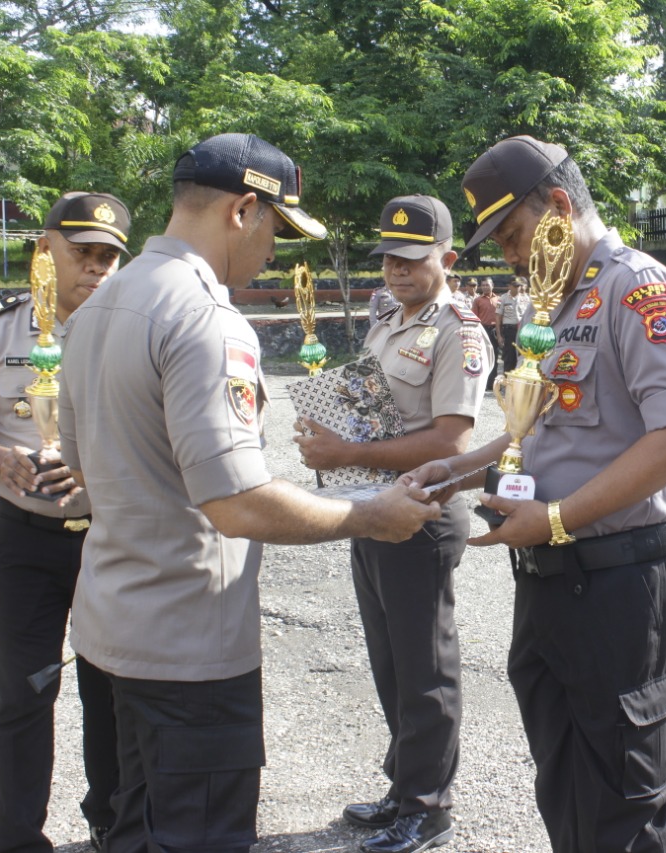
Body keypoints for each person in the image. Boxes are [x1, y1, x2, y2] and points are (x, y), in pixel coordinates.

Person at [56, 133, 439, 853]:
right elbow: (234, 502)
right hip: (188, 651)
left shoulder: (102, 305)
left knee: (134, 831)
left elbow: (81, 465)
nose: (275, 254)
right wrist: (369, 514)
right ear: (242, 210)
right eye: (276, 231)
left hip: (113, 632)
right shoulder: (205, 317)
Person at [406, 134, 666, 852]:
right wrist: (449, 472)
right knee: (567, 793)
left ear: (556, 205)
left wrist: (551, 518)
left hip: (619, 583)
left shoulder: (633, 288)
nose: (510, 256)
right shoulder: (553, 303)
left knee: (620, 806)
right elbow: (534, 436)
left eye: (513, 235)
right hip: (551, 582)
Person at [294, 195, 489, 853]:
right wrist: (328, 430)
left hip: (421, 515)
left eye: (413, 259)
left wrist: (346, 451)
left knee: (424, 666)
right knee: (390, 662)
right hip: (372, 507)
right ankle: (404, 785)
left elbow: (451, 443)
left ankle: (429, 806)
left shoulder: (458, 331)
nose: (397, 271)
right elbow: (374, 410)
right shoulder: (389, 316)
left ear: (447, 258)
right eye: (389, 259)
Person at [0, 191, 129, 853]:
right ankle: (17, 838)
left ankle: (114, 820)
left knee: (112, 686)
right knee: (23, 691)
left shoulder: (136, 329)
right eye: (84, 252)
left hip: (109, 537)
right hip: (25, 538)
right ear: (45, 249)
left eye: (109, 256)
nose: (97, 267)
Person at [471, 275, 501, 389]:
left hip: (495, 330)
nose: (485, 287)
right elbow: (474, 317)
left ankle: (492, 383)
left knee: (494, 356)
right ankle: (482, 382)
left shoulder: (499, 299)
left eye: (487, 285)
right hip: (482, 330)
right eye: (483, 285)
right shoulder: (477, 300)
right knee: (482, 356)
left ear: (492, 286)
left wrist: (499, 334)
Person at [495, 275, 528, 374]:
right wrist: (499, 335)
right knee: (509, 358)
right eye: (514, 286)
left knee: (522, 356)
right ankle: (507, 383)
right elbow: (498, 318)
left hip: (523, 331)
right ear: (509, 286)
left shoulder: (526, 298)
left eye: (518, 286)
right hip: (509, 330)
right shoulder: (502, 298)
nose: (517, 288)